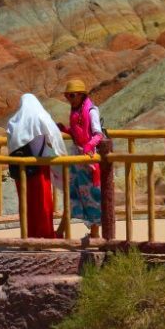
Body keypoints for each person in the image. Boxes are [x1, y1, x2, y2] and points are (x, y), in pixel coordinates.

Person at [6, 93, 67, 238]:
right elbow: (54, 136)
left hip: (20, 168)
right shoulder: (40, 116)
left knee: (26, 203)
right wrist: (62, 154)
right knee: (43, 203)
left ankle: (28, 235)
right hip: (40, 166)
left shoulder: (14, 122)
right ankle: (45, 235)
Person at [57, 79, 104, 238]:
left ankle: (95, 233)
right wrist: (65, 130)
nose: (69, 99)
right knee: (73, 193)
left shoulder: (91, 111)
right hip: (77, 158)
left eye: (72, 95)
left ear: (81, 95)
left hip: (89, 160)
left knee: (92, 195)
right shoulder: (75, 110)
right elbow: (78, 133)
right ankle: (60, 231)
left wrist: (89, 146)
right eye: (67, 96)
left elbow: (98, 134)